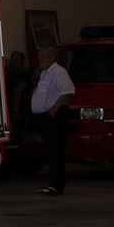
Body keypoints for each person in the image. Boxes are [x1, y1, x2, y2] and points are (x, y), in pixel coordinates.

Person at [30, 47, 77, 196]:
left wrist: (55, 108)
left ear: (50, 57)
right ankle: (52, 184)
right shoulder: (45, 73)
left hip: (55, 118)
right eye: (39, 57)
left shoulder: (59, 72)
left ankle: (56, 186)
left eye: (41, 57)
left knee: (56, 152)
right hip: (45, 118)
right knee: (51, 152)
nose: (39, 60)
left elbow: (69, 92)